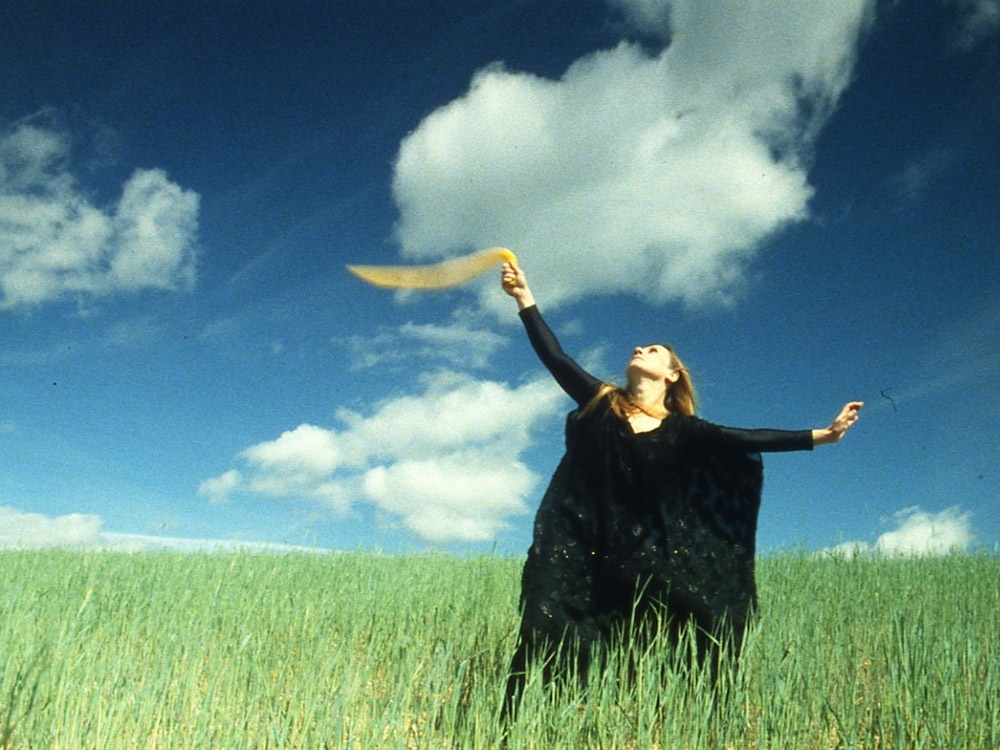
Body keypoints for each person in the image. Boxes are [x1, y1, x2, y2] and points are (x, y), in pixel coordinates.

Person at [498, 261, 862, 721]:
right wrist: (524, 298)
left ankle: (695, 718)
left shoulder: (685, 431)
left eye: (652, 350)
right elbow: (556, 358)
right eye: (640, 346)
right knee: (544, 623)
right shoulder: (602, 402)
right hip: (575, 542)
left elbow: (745, 439)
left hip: (638, 551)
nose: (639, 348)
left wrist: (822, 436)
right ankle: (521, 722)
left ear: (671, 375)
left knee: (698, 613)